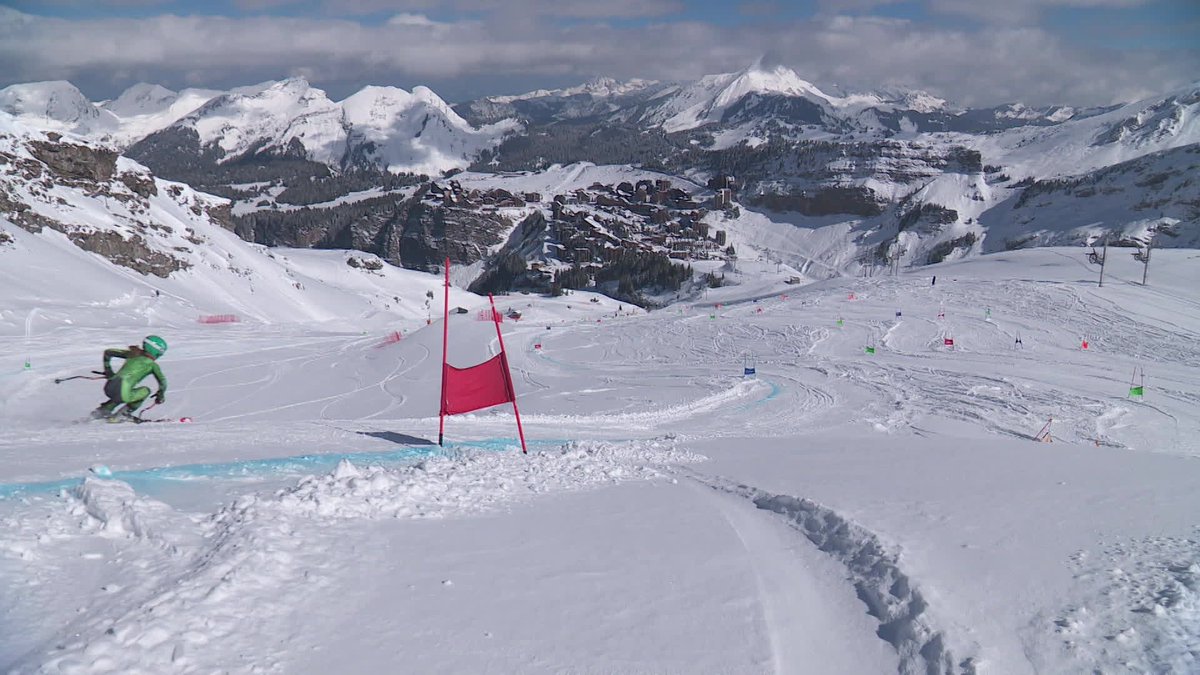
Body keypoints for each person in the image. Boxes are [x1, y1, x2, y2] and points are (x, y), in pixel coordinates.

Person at [91, 335, 168, 420]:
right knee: (145, 391)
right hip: (123, 392)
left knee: (120, 396)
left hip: (108, 387)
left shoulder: (132, 354)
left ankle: (102, 411)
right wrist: (160, 396)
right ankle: (120, 416)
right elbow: (163, 382)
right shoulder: (152, 365)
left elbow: (108, 352)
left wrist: (108, 370)